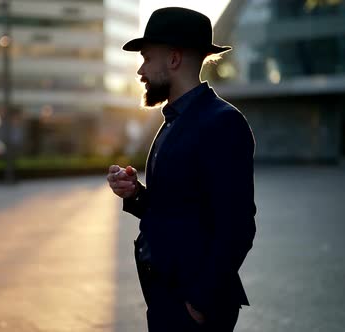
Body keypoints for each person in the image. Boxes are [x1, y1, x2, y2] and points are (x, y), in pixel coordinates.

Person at [106, 7, 257, 332]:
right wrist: (134, 194)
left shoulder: (222, 123)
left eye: (146, 58)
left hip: (194, 305)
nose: (141, 70)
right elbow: (178, 210)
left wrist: (200, 302)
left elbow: (238, 225)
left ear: (174, 59)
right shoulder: (174, 121)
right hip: (165, 294)